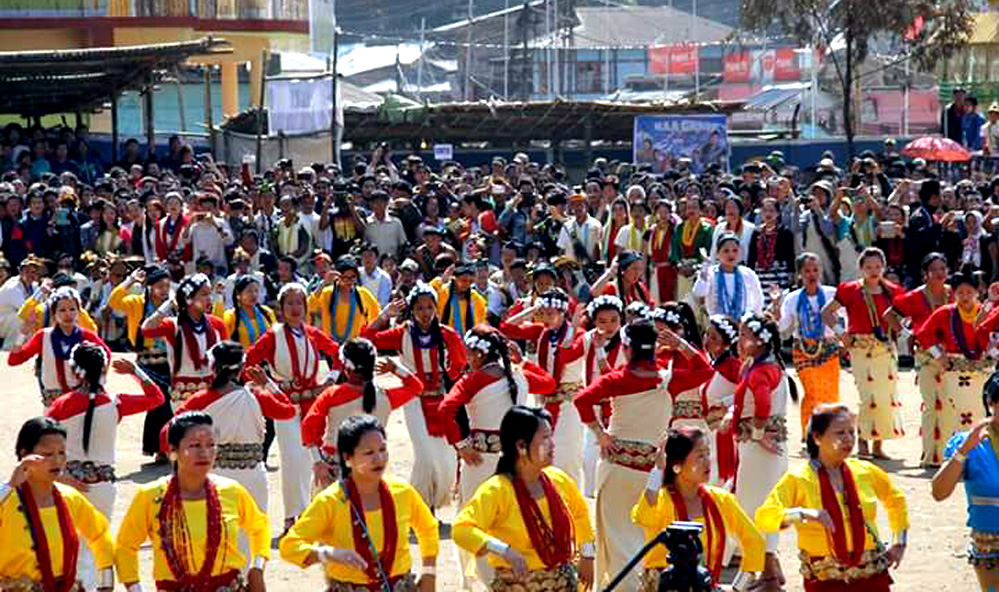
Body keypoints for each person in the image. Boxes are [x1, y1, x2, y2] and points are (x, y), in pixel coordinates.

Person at [438, 325, 554, 589]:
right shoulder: (519, 376)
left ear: (479, 354)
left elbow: (445, 410)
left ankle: (487, 581)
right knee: (512, 517)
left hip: (480, 461)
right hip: (518, 462)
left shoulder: (474, 379)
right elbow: (549, 383)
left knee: (476, 521)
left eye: (469, 353)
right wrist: (522, 361)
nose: (467, 358)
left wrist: (461, 445)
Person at [44, 344, 162, 590]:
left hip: (68, 485)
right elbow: (157, 398)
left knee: (70, 546)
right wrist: (135, 371)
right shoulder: (115, 404)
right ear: (105, 368)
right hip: (103, 487)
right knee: (96, 544)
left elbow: (41, 449)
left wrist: (62, 478)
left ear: (75, 371)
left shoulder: (60, 405)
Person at [757, 404, 908, 592]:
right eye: (840, 433)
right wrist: (804, 514)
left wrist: (899, 542)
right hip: (825, 581)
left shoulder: (864, 470)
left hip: (872, 577)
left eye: (851, 432)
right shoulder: (799, 478)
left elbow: (896, 500)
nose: (848, 439)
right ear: (817, 438)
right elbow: (765, 517)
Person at [280, 415, 439, 592]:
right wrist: (329, 554)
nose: (379, 458)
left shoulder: (401, 492)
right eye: (369, 453)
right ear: (348, 458)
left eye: (382, 449)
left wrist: (429, 572)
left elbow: (428, 528)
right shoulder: (331, 501)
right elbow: (290, 546)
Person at [115, 412, 270, 592]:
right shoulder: (151, 496)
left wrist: (257, 568)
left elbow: (259, 528)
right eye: (195, 446)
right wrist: (134, 587)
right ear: (173, 451)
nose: (204, 453)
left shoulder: (231, 491)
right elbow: (125, 546)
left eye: (211, 445)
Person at [573, 320, 674, 590]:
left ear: (627, 349)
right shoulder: (666, 378)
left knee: (618, 536)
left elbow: (582, 400)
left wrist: (600, 434)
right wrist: (682, 345)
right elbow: (703, 369)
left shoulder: (619, 379)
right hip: (653, 471)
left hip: (617, 467)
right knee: (646, 532)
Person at [453, 406, 596, 592]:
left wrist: (587, 555)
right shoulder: (497, 489)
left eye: (551, 436)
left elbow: (580, 514)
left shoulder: (558, 480)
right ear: (521, 446)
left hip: (563, 582)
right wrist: (504, 550)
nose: (552, 444)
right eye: (545, 438)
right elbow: (461, 530)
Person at [244, 282, 343, 530]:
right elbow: (248, 362)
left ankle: (313, 513)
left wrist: (329, 380)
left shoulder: (312, 333)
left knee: (314, 458)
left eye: (299, 302)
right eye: (289, 303)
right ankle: (291, 516)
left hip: (314, 403)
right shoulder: (273, 335)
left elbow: (338, 354)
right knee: (292, 459)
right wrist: (263, 385)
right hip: (285, 403)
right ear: (281, 308)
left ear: (307, 307)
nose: (295, 308)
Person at [361, 281, 467, 509]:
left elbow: (460, 363)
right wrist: (383, 316)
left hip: (441, 399)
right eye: (419, 308)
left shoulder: (447, 334)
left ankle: (433, 500)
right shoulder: (402, 333)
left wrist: (446, 379)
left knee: (447, 457)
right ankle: (421, 506)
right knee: (426, 456)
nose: (425, 313)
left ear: (436, 308)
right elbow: (368, 340)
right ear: (412, 310)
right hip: (414, 400)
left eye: (429, 307)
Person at [167, 341, 296, 528]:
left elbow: (170, 431)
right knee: (250, 537)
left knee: (215, 537)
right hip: (252, 475)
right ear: (242, 368)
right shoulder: (257, 396)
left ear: (213, 367)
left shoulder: (200, 399)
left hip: (212, 474)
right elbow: (289, 411)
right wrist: (268, 384)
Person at [632, 427, 765, 592]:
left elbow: (755, 541)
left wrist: (739, 586)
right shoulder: (661, 500)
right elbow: (643, 517)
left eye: (708, 453)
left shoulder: (720, 500)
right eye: (700, 455)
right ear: (677, 464)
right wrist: (658, 470)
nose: (708, 461)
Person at [0, 417, 115, 592]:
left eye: (61, 452)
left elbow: (100, 534)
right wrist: (9, 486)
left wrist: (106, 581)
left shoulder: (69, 497)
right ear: (25, 455)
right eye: (47, 454)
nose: (57, 461)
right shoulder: (7, 499)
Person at [726, 313, 794, 589]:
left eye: (744, 335)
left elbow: (762, 405)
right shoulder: (762, 365)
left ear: (760, 341)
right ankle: (769, 572)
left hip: (760, 450)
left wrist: (756, 433)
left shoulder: (761, 370)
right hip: (763, 449)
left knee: (754, 508)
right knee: (761, 506)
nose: (740, 341)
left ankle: (763, 575)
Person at [301, 338, 424, 490]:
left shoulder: (332, 395)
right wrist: (396, 368)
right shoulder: (386, 397)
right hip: (372, 472)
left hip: (334, 469)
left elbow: (308, 427)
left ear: (347, 368)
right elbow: (416, 387)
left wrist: (318, 462)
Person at [821, 247, 905, 460]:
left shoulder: (894, 291)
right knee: (868, 397)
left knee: (886, 397)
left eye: (878, 266)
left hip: (885, 349)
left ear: (884, 267)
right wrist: (841, 333)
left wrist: (899, 329)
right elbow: (827, 312)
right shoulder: (850, 290)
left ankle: (878, 445)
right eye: (868, 267)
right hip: (860, 349)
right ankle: (863, 443)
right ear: (860, 268)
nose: (873, 271)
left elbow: (903, 319)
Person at [500, 288, 588, 482]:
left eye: (551, 313)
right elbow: (506, 327)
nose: (546, 318)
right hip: (544, 401)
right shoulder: (542, 332)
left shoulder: (580, 335)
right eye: (544, 313)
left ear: (563, 313)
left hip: (569, 402)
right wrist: (531, 311)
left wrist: (572, 328)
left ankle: (570, 505)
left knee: (567, 457)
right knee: (543, 455)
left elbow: (567, 352)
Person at [931, 372, 999, 591]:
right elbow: (939, 493)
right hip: (991, 544)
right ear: (990, 403)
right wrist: (963, 452)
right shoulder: (969, 442)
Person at [918, 266, 993, 460]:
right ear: (954, 293)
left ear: (978, 292)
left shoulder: (986, 312)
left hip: (983, 371)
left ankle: (979, 457)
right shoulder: (945, 313)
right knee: (957, 412)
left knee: (980, 411)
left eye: (969, 292)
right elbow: (924, 335)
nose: (965, 296)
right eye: (960, 292)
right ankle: (956, 457)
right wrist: (939, 356)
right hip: (954, 371)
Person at [884, 252, 952, 467]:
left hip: (951, 357)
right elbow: (889, 315)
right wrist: (907, 335)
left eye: (943, 268)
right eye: (934, 270)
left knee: (951, 404)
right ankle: (931, 456)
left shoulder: (953, 294)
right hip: (926, 355)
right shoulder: (914, 297)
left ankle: (949, 455)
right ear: (925, 274)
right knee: (932, 405)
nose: (939, 273)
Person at [108, 265, 175, 459]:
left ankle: (164, 446)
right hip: (146, 360)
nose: (164, 290)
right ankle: (158, 446)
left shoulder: (172, 306)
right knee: (160, 398)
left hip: (169, 359)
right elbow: (114, 302)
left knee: (168, 401)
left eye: (167, 286)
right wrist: (130, 281)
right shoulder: (137, 302)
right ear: (150, 287)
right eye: (160, 286)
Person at [8, 286, 110, 407]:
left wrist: (92, 380)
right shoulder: (43, 336)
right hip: (53, 400)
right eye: (62, 310)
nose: (68, 314)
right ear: (53, 313)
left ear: (79, 312)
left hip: (80, 397)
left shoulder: (86, 335)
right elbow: (14, 360)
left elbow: (106, 355)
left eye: (72, 309)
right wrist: (23, 333)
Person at [774, 252, 841, 433]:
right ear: (800, 274)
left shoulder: (832, 294)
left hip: (828, 347)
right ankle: (809, 433)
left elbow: (844, 320)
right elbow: (783, 328)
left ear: (820, 271)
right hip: (803, 349)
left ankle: (829, 431)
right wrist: (776, 309)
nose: (812, 274)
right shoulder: (792, 298)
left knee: (830, 391)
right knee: (812, 392)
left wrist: (843, 336)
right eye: (807, 271)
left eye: (815, 270)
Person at [140, 273, 229, 403]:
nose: (210, 299)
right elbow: (147, 329)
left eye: (210, 294)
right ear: (189, 298)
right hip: (183, 394)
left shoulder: (217, 324)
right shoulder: (173, 324)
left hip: (212, 392)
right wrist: (169, 303)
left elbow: (225, 358)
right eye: (204, 294)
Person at [702, 315, 740, 485]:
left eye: (714, 337)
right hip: (709, 430)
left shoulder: (733, 366)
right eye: (707, 334)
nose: (707, 340)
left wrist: (725, 403)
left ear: (726, 343)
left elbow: (747, 392)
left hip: (725, 432)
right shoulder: (710, 363)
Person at [308, 255, 381, 344]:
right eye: (344, 277)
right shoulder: (327, 293)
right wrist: (323, 283)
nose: (349, 281)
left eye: (352, 277)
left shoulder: (363, 294)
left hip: (355, 347)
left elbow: (376, 317)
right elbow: (309, 307)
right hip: (330, 346)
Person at [694, 233, 764, 318]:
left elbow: (758, 300)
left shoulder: (748, 274)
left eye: (735, 250)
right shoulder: (711, 272)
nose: (731, 255)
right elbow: (699, 292)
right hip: (718, 324)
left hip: (744, 324)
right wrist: (705, 268)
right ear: (717, 253)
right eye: (726, 251)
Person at [217, 275, 276, 349]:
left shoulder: (267, 312)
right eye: (249, 291)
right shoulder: (231, 316)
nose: (254, 294)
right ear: (238, 294)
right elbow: (221, 332)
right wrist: (219, 296)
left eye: (256, 290)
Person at [431, 262, 487, 338]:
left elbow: (481, 322)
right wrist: (443, 279)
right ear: (455, 278)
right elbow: (427, 293)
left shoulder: (476, 299)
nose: (467, 284)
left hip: (467, 341)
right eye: (463, 280)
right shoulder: (442, 291)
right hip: (443, 338)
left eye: (470, 281)